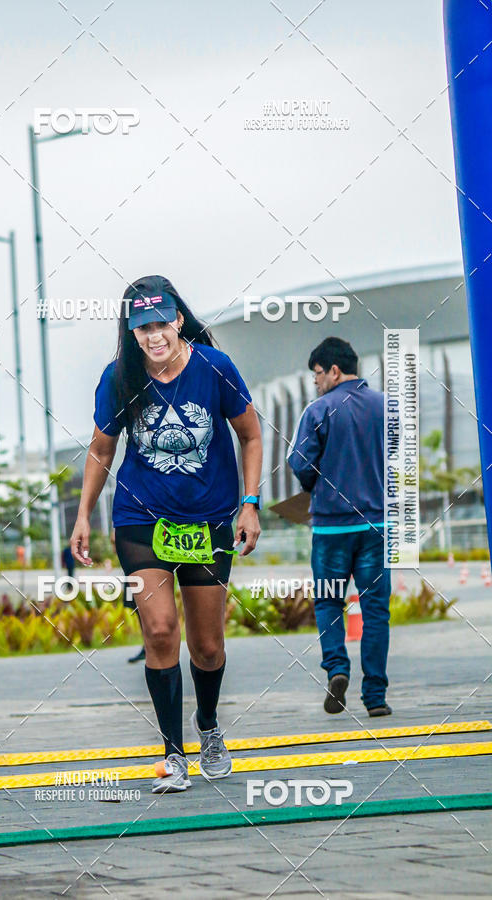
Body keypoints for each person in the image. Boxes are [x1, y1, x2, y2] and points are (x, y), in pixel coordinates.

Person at [71, 274, 262, 793]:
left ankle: (209, 725)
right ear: (130, 332)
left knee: (207, 646)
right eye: (142, 328)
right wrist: (84, 514)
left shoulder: (214, 368)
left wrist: (250, 504)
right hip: (140, 518)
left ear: (178, 321)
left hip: (208, 519)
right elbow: (102, 450)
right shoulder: (119, 377)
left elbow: (250, 434)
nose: (154, 336)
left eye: (161, 324)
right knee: (158, 631)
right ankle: (173, 754)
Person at [288, 337, 392, 718]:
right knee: (376, 609)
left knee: (330, 602)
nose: (316, 382)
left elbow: (300, 462)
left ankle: (336, 669)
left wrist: (318, 487)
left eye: (317, 374)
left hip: (332, 530)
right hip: (377, 526)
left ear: (333, 370)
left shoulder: (319, 410)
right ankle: (376, 697)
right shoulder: (386, 407)